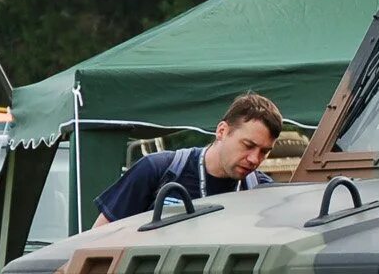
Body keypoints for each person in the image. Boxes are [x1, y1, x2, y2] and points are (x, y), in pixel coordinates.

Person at [93, 93, 280, 225]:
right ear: (222, 131)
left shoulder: (261, 191)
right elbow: (97, 240)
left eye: (264, 151)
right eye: (248, 145)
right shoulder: (158, 170)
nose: (255, 159)